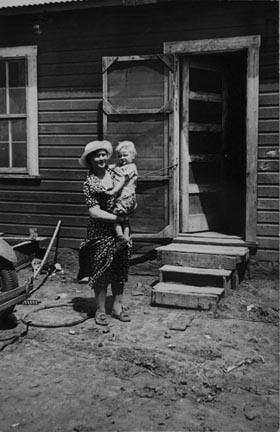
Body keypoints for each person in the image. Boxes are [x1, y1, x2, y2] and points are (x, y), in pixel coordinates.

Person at [78, 140, 131, 325]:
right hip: (99, 231)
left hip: (121, 227)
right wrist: (116, 219)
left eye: (103, 155)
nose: (101, 158)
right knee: (100, 270)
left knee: (119, 267)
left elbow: (128, 189)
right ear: (90, 160)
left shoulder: (115, 172)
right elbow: (94, 211)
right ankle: (100, 309)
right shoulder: (89, 183)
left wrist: (129, 207)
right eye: (96, 156)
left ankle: (117, 307)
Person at [105, 141, 138, 249]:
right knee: (125, 219)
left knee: (115, 218)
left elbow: (122, 179)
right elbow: (114, 166)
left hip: (124, 199)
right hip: (128, 199)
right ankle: (126, 236)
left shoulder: (131, 167)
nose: (122, 158)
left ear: (133, 156)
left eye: (125, 155)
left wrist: (113, 191)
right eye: (120, 156)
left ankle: (120, 235)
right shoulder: (124, 166)